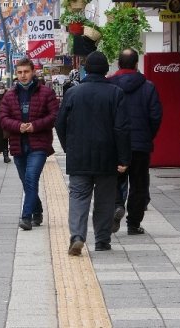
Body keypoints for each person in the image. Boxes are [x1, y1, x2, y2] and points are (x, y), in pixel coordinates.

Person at [56, 51, 131, 255]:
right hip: (108, 157)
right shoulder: (115, 93)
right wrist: (124, 158)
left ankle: (78, 236)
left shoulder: (72, 93)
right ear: (106, 70)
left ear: (85, 70)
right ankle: (102, 240)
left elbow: (60, 123)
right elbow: (121, 128)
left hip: (78, 156)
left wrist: (67, 147)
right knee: (105, 200)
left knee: (78, 197)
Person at [0, 57, 59, 230]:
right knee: (26, 182)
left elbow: (54, 115)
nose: (23, 75)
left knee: (31, 178)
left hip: (39, 144)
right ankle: (38, 210)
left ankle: (26, 217)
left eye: (26, 72)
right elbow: (3, 118)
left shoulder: (46, 92)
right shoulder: (10, 95)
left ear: (33, 72)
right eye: (20, 72)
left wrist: (35, 126)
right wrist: (18, 126)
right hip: (18, 144)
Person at [107, 48, 162, 236]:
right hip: (140, 144)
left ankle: (116, 205)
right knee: (139, 183)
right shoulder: (148, 86)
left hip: (114, 144)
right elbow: (156, 116)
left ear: (119, 64)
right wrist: (147, 135)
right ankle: (133, 223)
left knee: (114, 179)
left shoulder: (108, 86)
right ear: (137, 64)